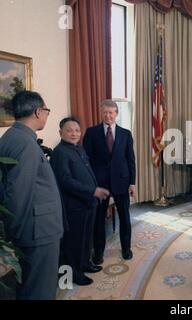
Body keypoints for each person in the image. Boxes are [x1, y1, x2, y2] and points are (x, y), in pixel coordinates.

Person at [0, 91, 63, 299]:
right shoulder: (25, 143)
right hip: (38, 231)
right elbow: (19, 193)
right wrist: (15, 234)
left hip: (32, 228)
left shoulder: (11, 137)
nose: (47, 115)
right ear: (38, 111)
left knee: (30, 284)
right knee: (40, 289)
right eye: (46, 111)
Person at [50, 117, 110, 286]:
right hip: (74, 206)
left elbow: (88, 172)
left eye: (77, 130)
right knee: (74, 241)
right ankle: (74, 274)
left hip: (88, 203)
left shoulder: (79, 148)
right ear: (60, 132)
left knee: (86, 238)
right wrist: (93, 190)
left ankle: (84, 264)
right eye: (69, 130)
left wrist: (95, 191)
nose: (74, 133)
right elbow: (65, 180)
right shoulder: (60, 152)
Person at [83, 100, 136, 264]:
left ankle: (126, 249)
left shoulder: (126, 134)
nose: (108, 115)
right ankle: (98, 253)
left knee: (125, 218)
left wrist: (132, 183)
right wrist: (92, 185)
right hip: (100, 184)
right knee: (99, 220)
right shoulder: (91, 133)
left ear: (116, 114)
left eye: (111, 112)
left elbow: (130, 160)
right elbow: (86, 161)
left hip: (121, 182)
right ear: (101, 113)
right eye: (105, 112)